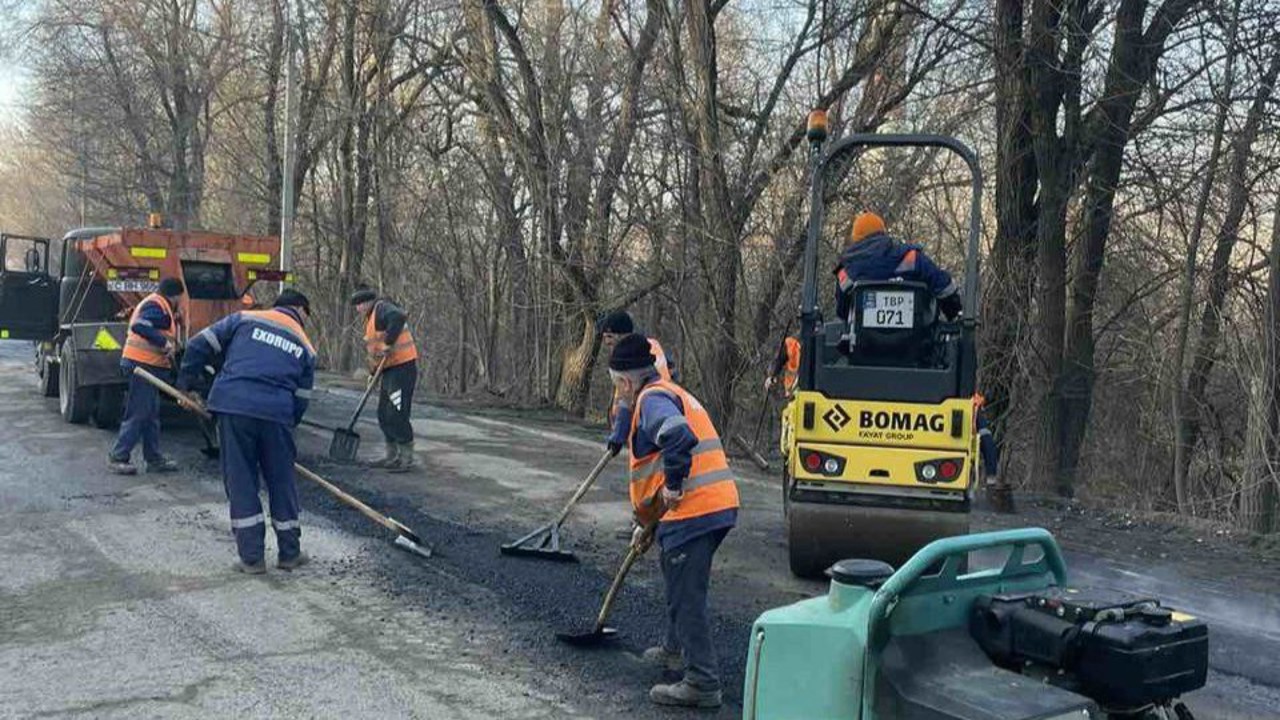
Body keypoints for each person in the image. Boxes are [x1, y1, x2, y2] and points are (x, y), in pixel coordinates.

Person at [608, 334, 739, 709]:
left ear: (628, 382)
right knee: (677, 579)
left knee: (686, 595)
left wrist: (675, 488)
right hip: (713, 505)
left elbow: (677, 436)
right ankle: (673, 650)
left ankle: (702, 681)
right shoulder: (668, 390)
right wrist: (648, 521)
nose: (619, 394)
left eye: (618, 385)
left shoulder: (650, 401)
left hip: (695, 508)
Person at [178, 289, 316, 574]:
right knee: (282, 480)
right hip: (277, 413)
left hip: (233, 405)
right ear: (300, 310)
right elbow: (301, 399)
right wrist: (287, 427)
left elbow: (197, 345)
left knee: (241, 479)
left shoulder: (244, 318)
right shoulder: (306, 346)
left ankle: (252, 559)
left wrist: (186, 385)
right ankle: (290, 554)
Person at [107, 278, 186, 475]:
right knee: (139, 412)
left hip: (148, 366)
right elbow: (139, 326)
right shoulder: (156, 305)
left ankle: (154, 458)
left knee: (151, 415)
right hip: (141, 366)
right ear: (175, 295)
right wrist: (163, 343)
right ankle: (118, 456)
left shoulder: (162, 306)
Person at [834, 212, 963, 322]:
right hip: (917, 345)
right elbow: (944, 287)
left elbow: (843, 312)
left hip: (864, 346)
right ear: (883, 233)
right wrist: (954, 313)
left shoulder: (846, 270)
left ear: (856, 239)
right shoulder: (911, 257)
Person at [351, 288, 419, 472]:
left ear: (367, 302)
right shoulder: (371, 319)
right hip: (388, 370)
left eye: (359, 305)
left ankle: (406, 458)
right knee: (383, 413)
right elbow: (376, 351)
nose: (358, 309)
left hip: (402, 367)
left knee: (396, 412)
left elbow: (398, 317)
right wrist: (373, 373)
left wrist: (388, 343)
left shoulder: (383, 308)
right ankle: (392, 455)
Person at [598, 310, 675, 455]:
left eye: (610, 339)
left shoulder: (642, 357)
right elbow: (626, 400)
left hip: (656, 425)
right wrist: (618, 435)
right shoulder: (629, 358)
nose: (609, 346)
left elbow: (644, 399)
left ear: (622, 336)